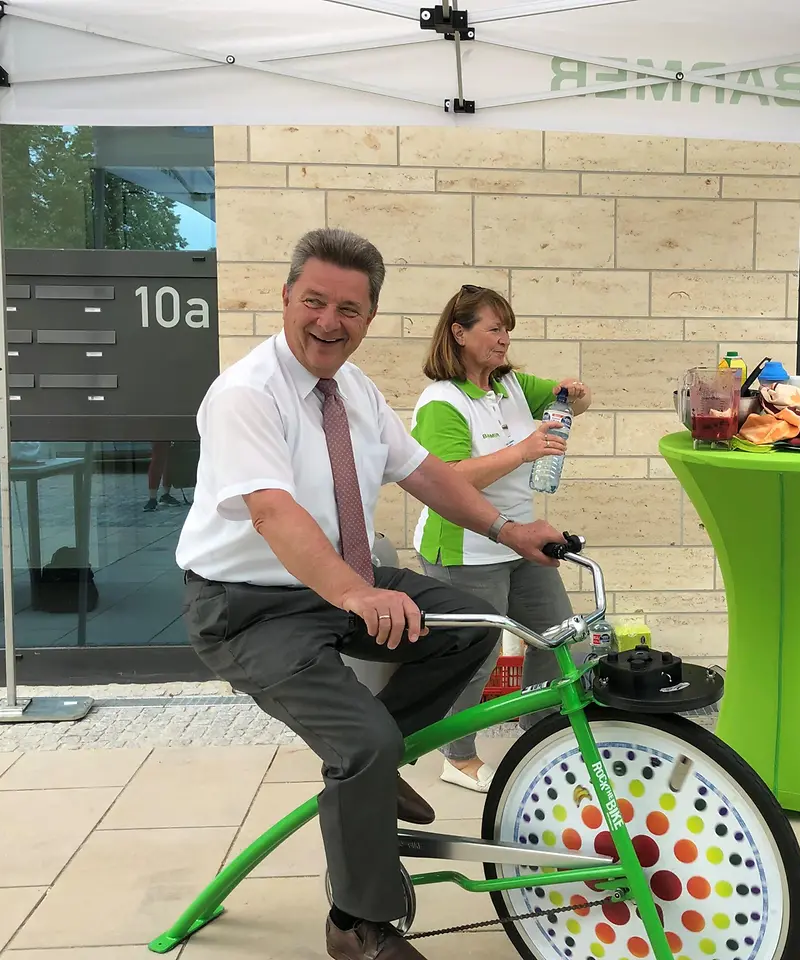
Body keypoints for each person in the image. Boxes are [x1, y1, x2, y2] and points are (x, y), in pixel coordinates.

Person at [175, 227, 568, 960]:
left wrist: (509, 530)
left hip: (342, 579)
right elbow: (272, 512)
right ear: (286, 297)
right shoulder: (245, 394)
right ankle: (357, 924)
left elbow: (425, 473)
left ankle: (376, 776)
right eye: (315, 301)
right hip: (247, 604)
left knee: (474, 624)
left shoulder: (354, 390)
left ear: (370, 316)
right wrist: (356, 592)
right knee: (362, 744)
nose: (329, 321)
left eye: (349, 309)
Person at [409, 284, 593, 793]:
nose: (504, 339)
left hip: (522, 540)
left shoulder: (509, 384)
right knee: (477, 657)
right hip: (464, 550)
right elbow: (446, 479)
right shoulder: (442, 402)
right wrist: (522, 451)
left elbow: (572, 403)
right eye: (494, 329)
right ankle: (457, 757)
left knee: (562, 639)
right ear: (459, 333)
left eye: (507, 329)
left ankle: (539, 732)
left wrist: (575, 394)